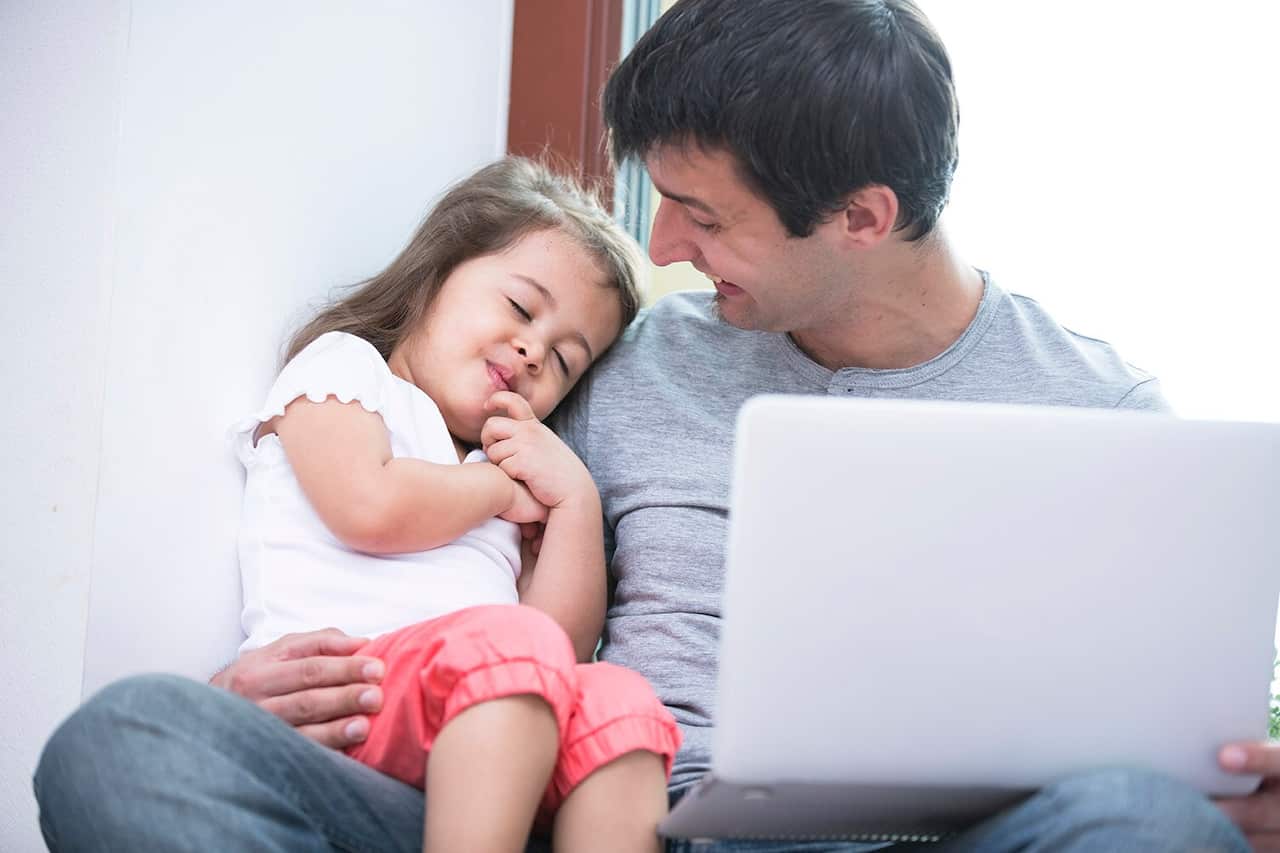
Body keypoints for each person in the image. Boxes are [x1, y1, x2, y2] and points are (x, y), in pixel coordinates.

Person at [34, 2, 1279, 851]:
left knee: (1142, 818)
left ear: (858, 215)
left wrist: (1241, 781)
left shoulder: (1107, 418)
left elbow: (1167, 721)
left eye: (701, 215)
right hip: (613, 824)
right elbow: (461, 563)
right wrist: (297, 678)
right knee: (134, 738)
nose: (664, 249)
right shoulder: (626, 366)